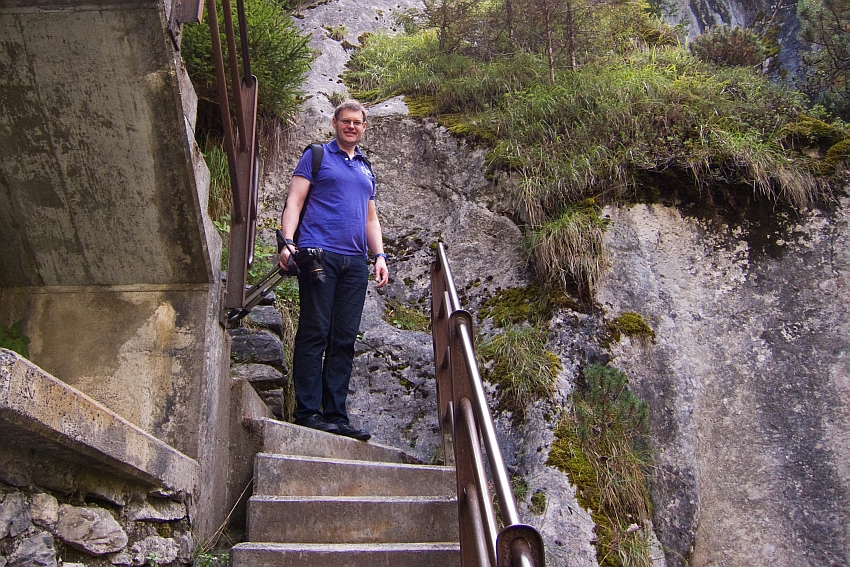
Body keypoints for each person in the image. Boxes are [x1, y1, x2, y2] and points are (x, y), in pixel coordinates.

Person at [279, 100, 389, 442]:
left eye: (357, 122)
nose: (351, 126)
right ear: (335, 122)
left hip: (355, 262)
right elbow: (294, 201)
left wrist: (380, 256)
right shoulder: (316, 156)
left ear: (364, 127)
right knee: (315, 332)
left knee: (343, 338)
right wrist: (286, 241)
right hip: (318, 255)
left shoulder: (366, 169)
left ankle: (336, 415)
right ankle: (308, 412)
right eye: (346, 121)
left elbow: (371, 218)